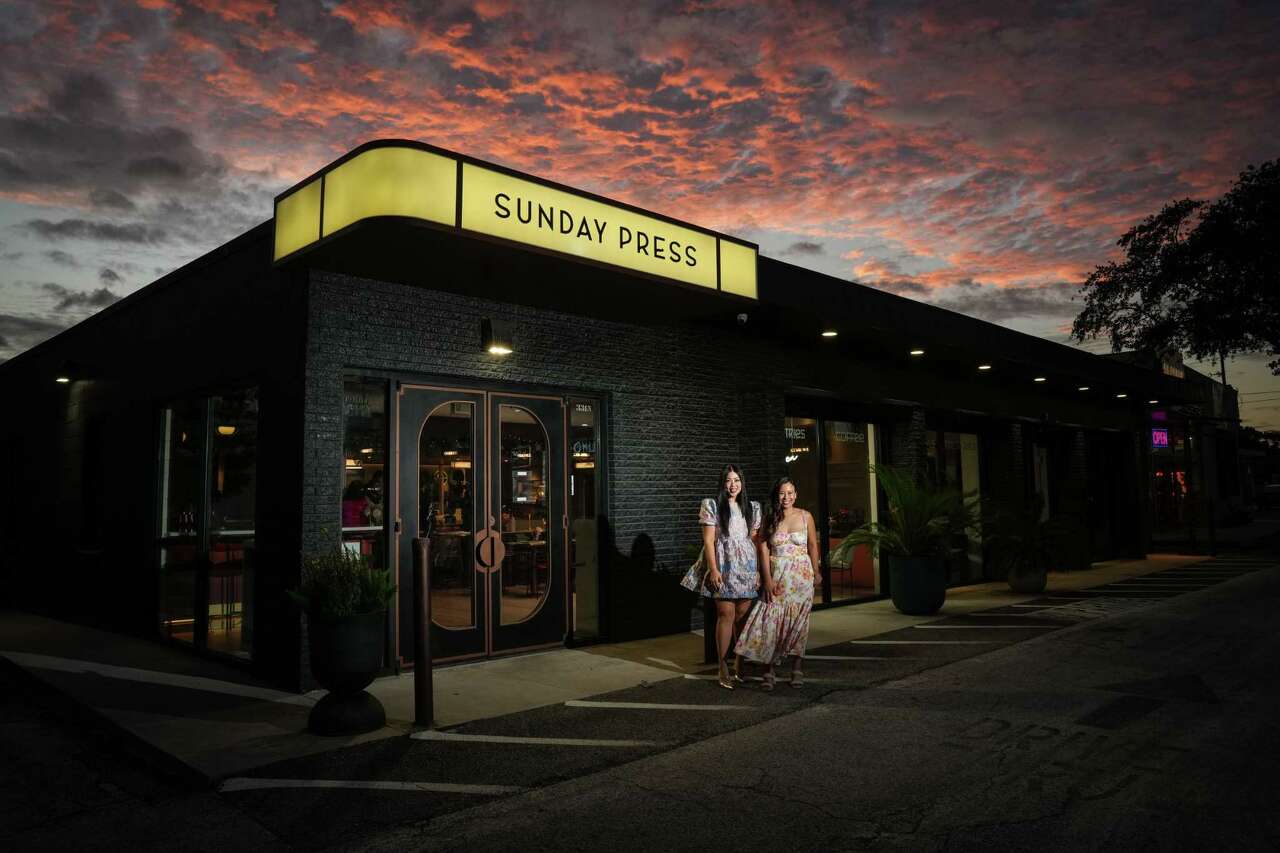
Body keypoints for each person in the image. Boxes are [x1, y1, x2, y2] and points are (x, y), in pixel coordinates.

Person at [735, 477, 822, 690]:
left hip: (801, 578)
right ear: (777, 495)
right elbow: (763, 550)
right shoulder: (769, 518)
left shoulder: (805, 516)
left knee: (799, 624)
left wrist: (816, 572)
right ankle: (769, 670)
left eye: (791, 493)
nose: (787, 497)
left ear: (796, 494)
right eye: (783, 493)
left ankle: (797, 669)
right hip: (778, 578)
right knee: (771, 623)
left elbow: (812, 544)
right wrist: (767, 580)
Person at [699, 464, 761, 690]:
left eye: (736, 480)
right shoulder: (712, 505)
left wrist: (757, 571)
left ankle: (740, 663)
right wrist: (713, 569)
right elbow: (708, 541)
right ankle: (722, 664)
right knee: (726, 613)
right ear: (722, 483)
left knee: (743, 616)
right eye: (728, 480)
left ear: (742, 483)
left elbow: (754, 541)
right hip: (724, 566)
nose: (733, 485)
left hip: (747, 567)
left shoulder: (753, 508)